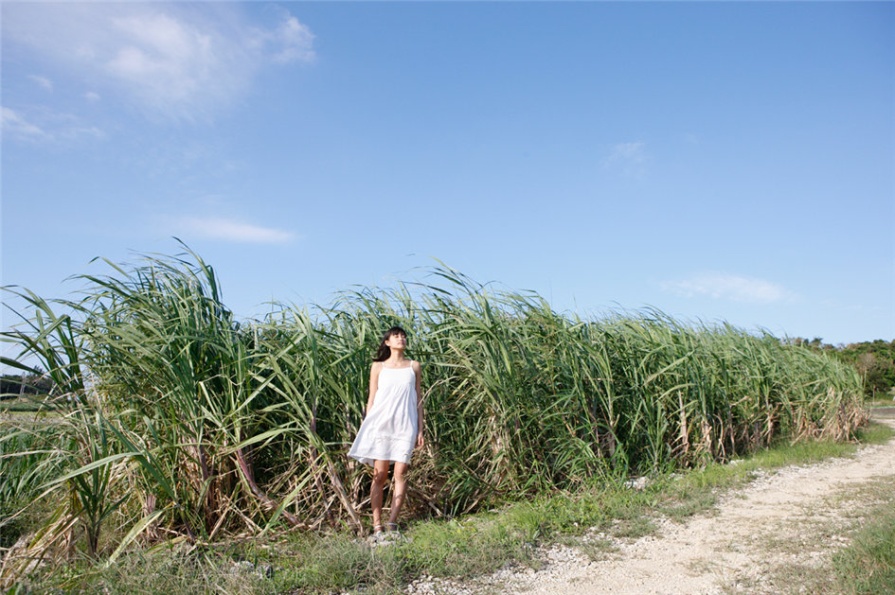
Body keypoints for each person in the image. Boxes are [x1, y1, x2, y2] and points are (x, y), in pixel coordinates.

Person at [348, 326, 424, 541]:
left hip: (405, 425)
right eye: (396, 336)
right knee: (379, 475)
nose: (401, 338)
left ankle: (392, 522)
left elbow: (419, 399)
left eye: (403, 336)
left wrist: (420, 428)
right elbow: (371, 398)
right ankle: (377, 524)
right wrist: (367, 427)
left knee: (401, 473)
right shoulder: (378, 367)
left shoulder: (414, 366)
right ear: (387, 342)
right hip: (381, 425)